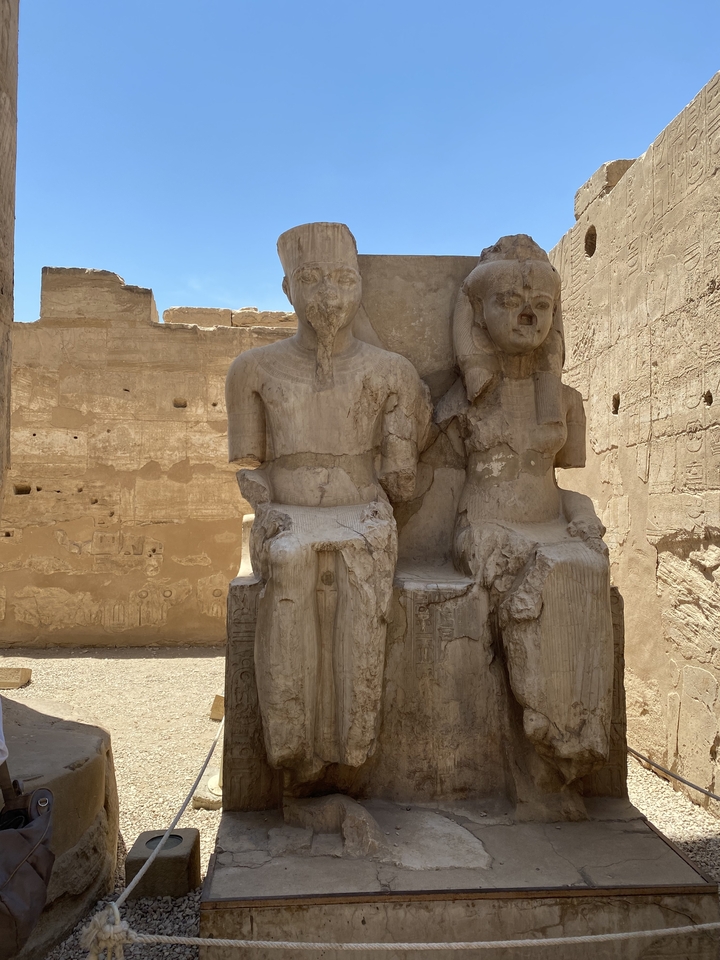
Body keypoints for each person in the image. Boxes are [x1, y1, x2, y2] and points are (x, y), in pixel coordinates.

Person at [226, 222, 431, 785]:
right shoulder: (253, 370)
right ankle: (291, 749)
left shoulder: (390, 371)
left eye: (343, 280)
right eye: (311, 280)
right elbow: (252, 468)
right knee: (291, 563)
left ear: (360, 286)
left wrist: (402, 444)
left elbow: (401, 479)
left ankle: (351, 745)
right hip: (288, 515)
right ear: (288, 289)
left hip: (361, 511)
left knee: (360, 572)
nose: (328, 295)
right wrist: (268, 504)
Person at [449, 235, 614, 793]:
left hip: (547, 525)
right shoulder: (463, 401)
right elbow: (428, 484)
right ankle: (545, 733)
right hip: (486, 529)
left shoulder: (565, 403)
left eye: (541, 306)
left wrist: (583, 513)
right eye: (511, 303)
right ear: (476, 313)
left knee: (586, 567)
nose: (527, 314)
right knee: (543, 571)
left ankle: (576, 736)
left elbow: (563, 486)